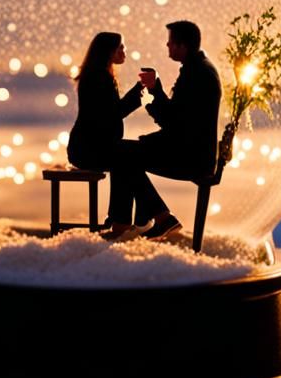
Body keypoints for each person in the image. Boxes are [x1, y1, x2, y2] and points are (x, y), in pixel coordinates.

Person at [105, 20, 222, 241]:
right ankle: (138, 221)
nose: (167, 46)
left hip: (190, 157)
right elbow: (178, 119)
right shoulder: (199, 69)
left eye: (170, 43)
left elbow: (173, 122)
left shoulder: (197, 74)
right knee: (124, 151)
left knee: (122, 154)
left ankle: (155, 219)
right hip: (192, 150)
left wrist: (154, 91)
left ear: (182, 46)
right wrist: (153, 92)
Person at [66, 31, 144, 173]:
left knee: (131, 160)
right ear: (108, 51)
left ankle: (132, 197)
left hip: (89, 147)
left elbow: (110, 112)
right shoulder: (98, 77)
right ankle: (145, 197)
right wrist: (136, 92)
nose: (124, 51)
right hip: (90, 150)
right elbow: (112, 114)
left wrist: (136, 91)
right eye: (120, 47)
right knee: (135, 157)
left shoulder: (97, 74)